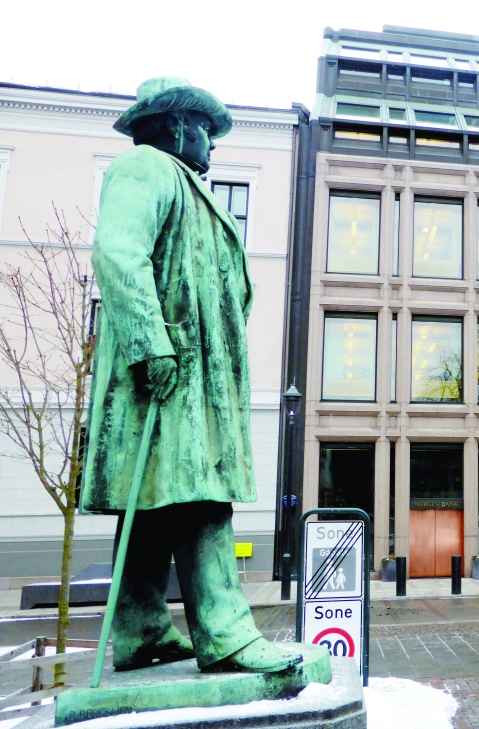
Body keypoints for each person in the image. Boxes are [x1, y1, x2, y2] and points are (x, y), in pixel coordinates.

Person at [80, 77, 300, 674]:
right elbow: (118, 252)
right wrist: (151, 344)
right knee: (201, 496)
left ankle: (142, 628)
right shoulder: (146, 167)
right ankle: (225, 632)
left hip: (195, 370)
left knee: (153, 501)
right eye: (205, 128)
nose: (212, 144)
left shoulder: (187, 188)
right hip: (168, 370)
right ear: (174, 125)